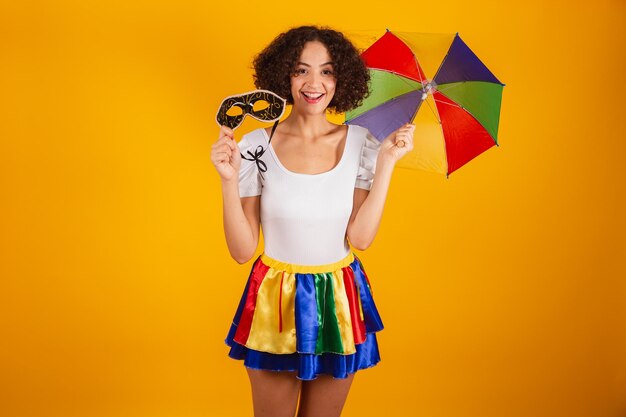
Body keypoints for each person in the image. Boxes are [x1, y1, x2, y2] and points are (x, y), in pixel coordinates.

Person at [210, 25, 415, 417]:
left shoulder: (363, 143)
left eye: (327, 71)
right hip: (276, 298)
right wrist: (227, 180)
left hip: (338, 295)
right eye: (301, 70)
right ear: (284, 76)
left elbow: (361, 237)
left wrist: (387, 163)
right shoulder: (255, 146)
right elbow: (241, 251)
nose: (314, 83)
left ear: (342, 79)